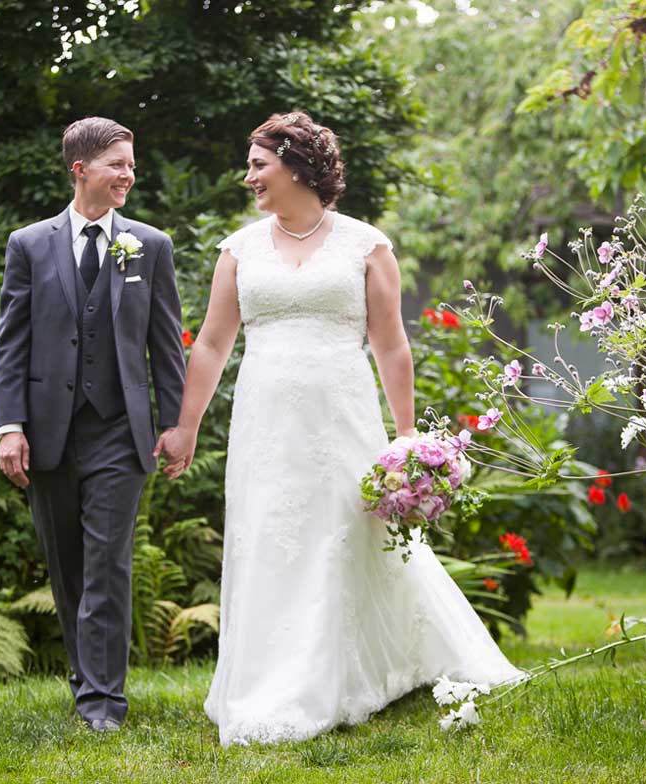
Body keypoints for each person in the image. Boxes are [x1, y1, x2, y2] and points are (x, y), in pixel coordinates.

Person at [155, 112, 523, 746]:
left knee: (343, 536)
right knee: (271, 536)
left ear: (296, 165)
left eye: (259, 165)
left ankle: (358, 672)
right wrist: (186, 426)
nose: (249, 177)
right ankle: (270, 680)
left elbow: (392, 346)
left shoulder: (364, 244)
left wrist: (407, 440)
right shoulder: (239, 250)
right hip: (265, 420)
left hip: (342, 417)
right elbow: (212, 345)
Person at [0, 117, 185, 732]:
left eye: (131, 164)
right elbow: (10, 346)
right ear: (81, 169)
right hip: (48, 430)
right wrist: (9, 425)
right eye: (118, 164)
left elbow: (166, 346)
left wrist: (176, 423)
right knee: (67, 566)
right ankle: (87, 681)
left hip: (120, 432)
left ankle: (103, 702)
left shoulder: (150, 246)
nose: (129, 174)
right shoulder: (28, 244)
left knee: (108, 562)